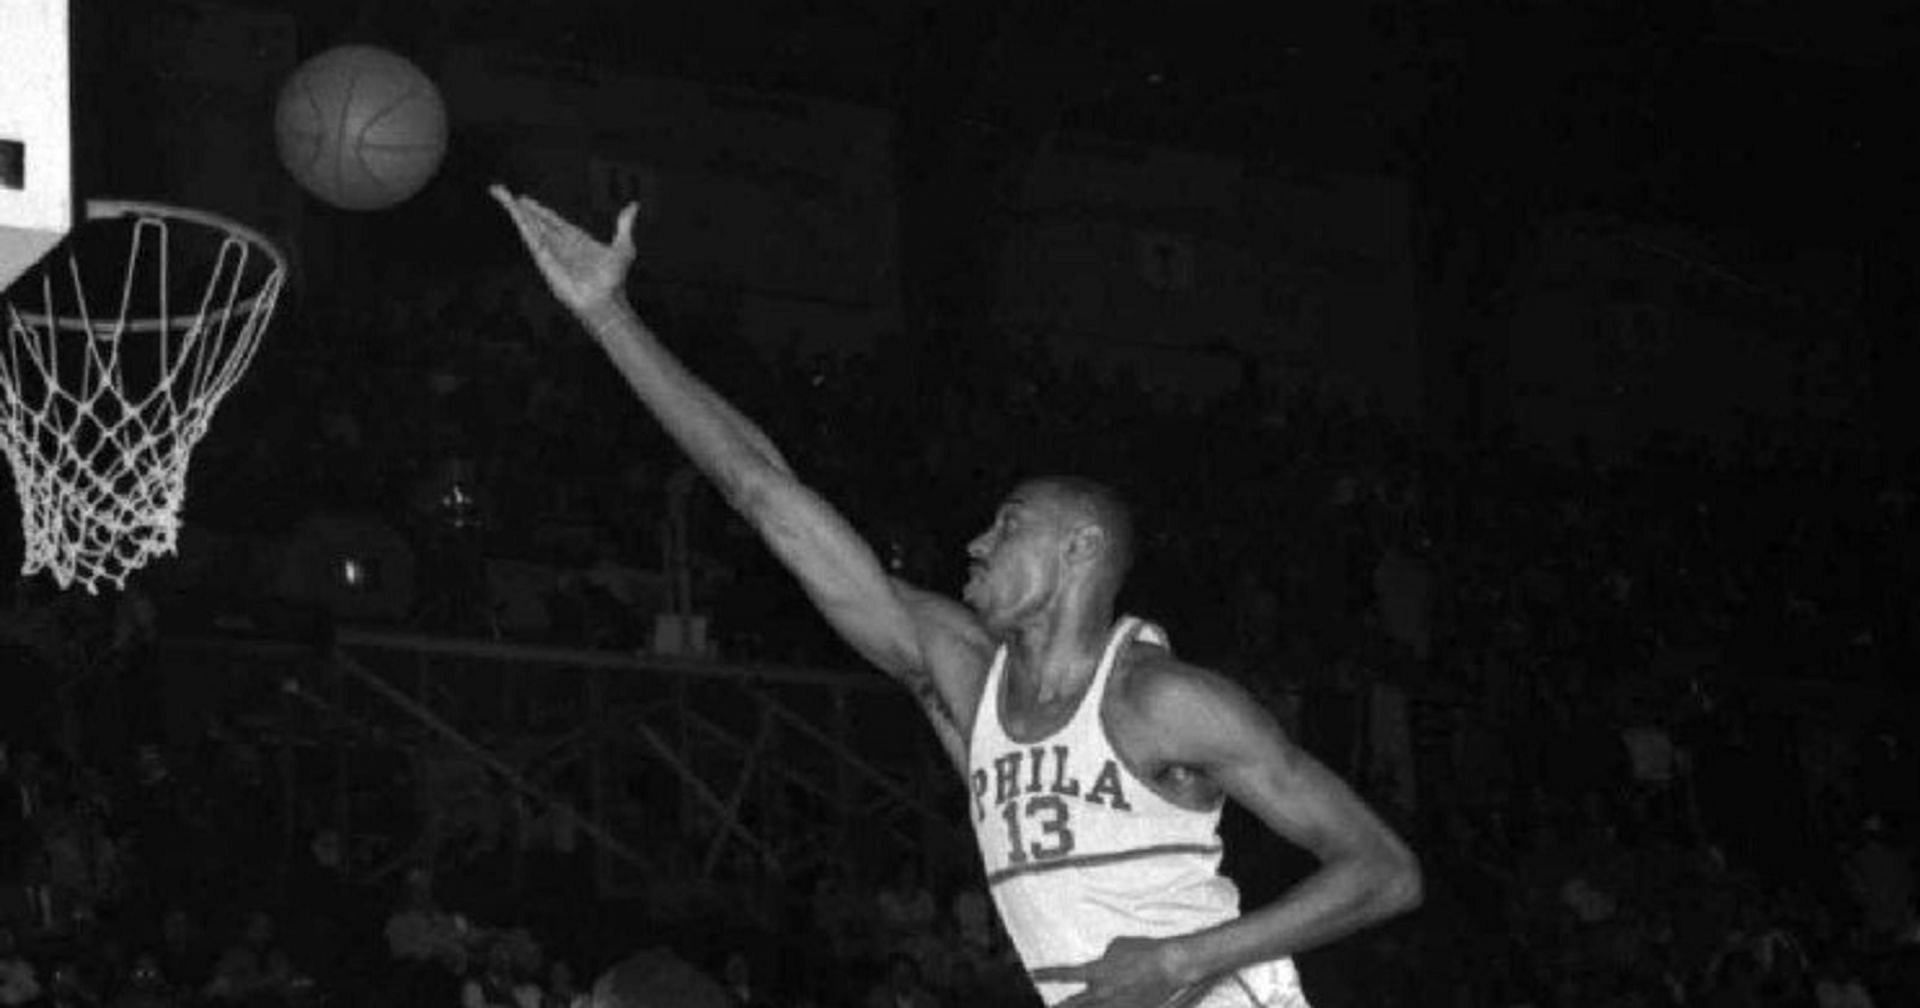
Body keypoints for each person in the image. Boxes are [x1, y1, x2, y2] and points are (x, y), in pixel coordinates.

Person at [493, 188, 1423, 1008]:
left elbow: (1385, 871)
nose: (976, 543)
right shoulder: (962, 675)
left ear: (1079, 550)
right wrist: (612, 320)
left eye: (1007, 523)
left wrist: (1183, 957)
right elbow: (762, 491)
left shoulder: (1163, 699)